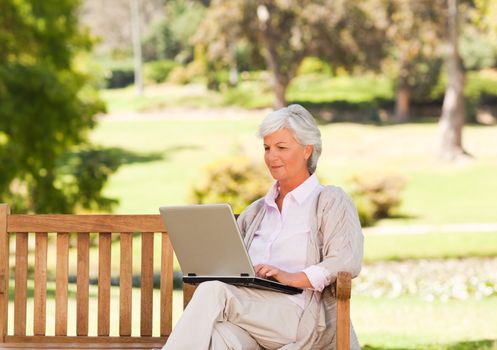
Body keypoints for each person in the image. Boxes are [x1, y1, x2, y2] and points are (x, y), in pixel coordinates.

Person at [163, 104, 364, 350]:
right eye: (267, 148)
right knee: (217, 335)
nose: (272, 157)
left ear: (306, 151)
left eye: (281, 147)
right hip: (252, 317)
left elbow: (345, 260)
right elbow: (235, 267)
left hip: (299, 318)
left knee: (213, 291)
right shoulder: (257, 211)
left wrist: (293, 277)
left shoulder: (330, 200)